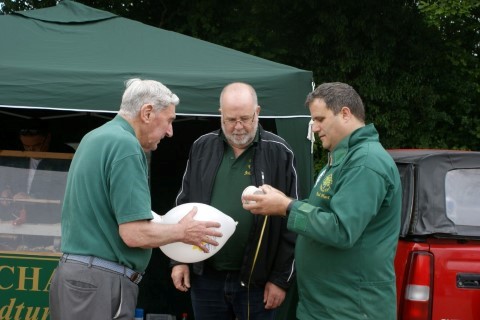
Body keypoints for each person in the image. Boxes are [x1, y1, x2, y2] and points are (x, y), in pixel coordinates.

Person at [48, 78, 223, 320]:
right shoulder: (126, 146)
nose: (171, 132)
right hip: (100, 283)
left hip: (79, 279)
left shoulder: (95, 137)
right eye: (170, 120)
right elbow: (134, 234)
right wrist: (183, 232)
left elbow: (104, 213)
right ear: (148, 112)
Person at [242, 82, 402, 319]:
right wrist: (282, 201)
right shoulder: (343, 158)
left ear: (345, 113)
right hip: (325, 305)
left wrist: (286, 206)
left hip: (351, 309)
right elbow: (322, 211)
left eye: (320, 119)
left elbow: (341, 229)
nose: (315, 127)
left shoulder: (365, 163)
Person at [171, 82, 299, 320]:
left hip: (257, 282)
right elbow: (183, 205)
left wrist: (280, 280)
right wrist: (179, 259)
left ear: (257, 112)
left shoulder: (279, 151)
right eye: (231, 119)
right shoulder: (202, 147)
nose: (238, 126)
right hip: (206, 276)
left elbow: (292, 222)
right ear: (220, 114)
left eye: (245, 118)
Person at [0, 120, 74, 226]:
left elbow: (67, 192)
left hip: (50, 223)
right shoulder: (16, 155)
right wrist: (6, 191)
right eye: (26, 146)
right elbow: (7, 179)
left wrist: (34, 198)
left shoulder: (64, 156)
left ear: (47, 138)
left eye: (36, 145)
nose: (31, 150)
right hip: (14, 219)